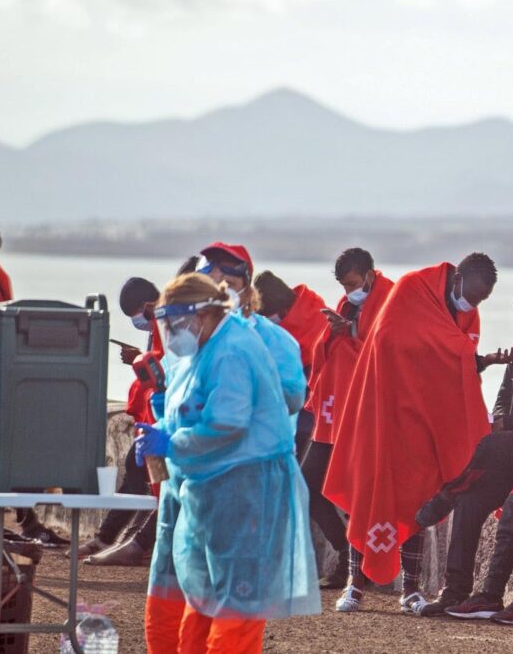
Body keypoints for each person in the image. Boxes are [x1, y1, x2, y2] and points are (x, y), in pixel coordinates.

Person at [136, 273, 319, 653]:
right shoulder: (203, 348)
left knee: (236, 605)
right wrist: (162, 427)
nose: (170, 333)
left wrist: (172, 442)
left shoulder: (233, 349)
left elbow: (227, 423)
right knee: (205, 600)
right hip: (214, 488)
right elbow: (188, 406)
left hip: (247, 487)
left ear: (202, 315)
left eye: (174, 323)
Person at [323, 253, 499, 615]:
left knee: (418, 498)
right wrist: (459, 352)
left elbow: (453, 360)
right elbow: (390, 341)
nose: (472, 306)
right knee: (369, 497)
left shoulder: (464, 310)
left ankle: (411, 588)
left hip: (423, 422)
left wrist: (479, 360)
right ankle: (356, 585)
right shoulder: (412, 289)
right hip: (384, 414)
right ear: (457, 279)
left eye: (480, 302)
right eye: (471, 296)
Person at [413, 274, 513, 619]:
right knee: (471, 503)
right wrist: (503, 415)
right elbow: (504, 392)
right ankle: (454, 590)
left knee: (488, 446)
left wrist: (509, 420)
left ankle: (447, 494)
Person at [299, 248, 395, 588]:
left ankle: (357, 567)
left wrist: (351, 332)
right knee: (309, 485)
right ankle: (346, 553)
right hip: (332, 411)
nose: (347, 290)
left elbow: (389, 346)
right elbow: (328, 345)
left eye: (352, 283)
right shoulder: (348, 304)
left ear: (369, 275)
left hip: (363, 411)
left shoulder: (391, 299)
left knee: (356, 490)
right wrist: (343, 330)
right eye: (342, 285)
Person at [78, 277, 163, 566]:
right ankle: (113, 538)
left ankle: (134, 544)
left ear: (148, 304)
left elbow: (165, 371)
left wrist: (140, 358)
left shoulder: (168, 326)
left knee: (162, 483)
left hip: (161, 424)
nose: (140, 321)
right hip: (152, 420)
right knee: (139, 472)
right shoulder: (161, 326)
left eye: (138, 314)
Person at [196, 243, 306, 414]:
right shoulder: (190, 336)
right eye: (210, 284)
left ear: (247, 291)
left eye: (228, 284)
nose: (218, 292)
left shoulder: (272, 338)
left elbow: (293, 399)